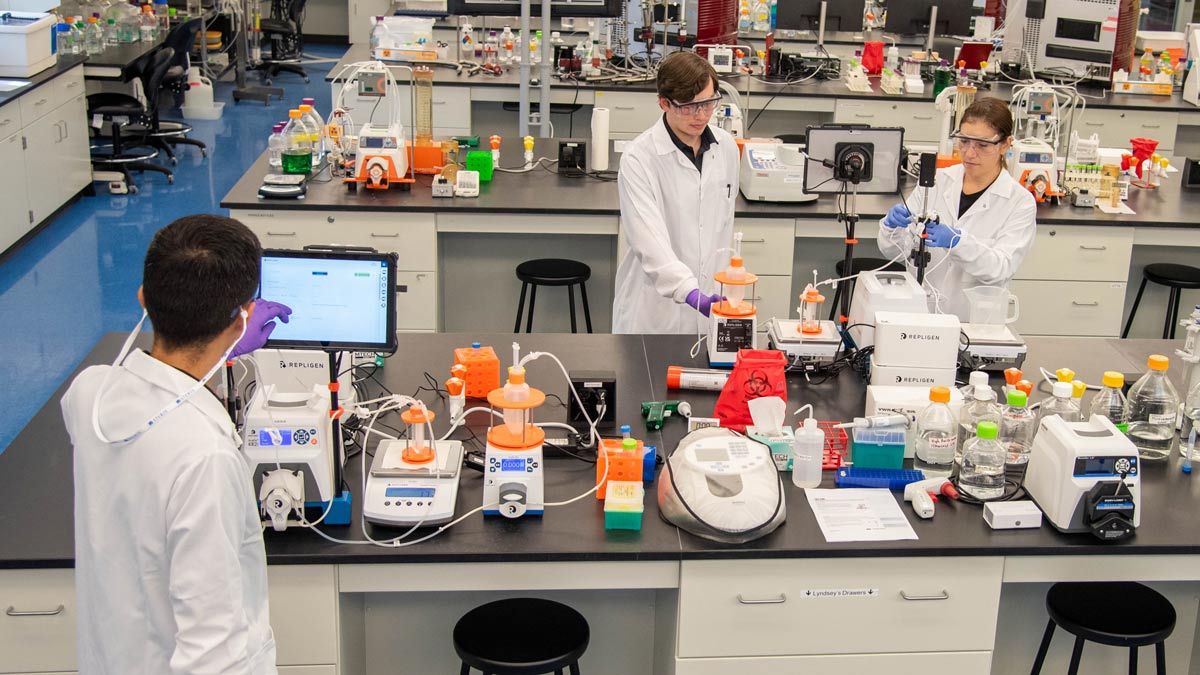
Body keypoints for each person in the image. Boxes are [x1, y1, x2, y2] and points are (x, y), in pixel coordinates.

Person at [61, 214, 292, 674]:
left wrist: (221, 344)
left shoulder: (90, 394)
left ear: (144, 298)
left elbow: (143, 389)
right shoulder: (204, 457)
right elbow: (214, 653)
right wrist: (224, 342)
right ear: (243, 318)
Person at [613, 51, 740, 334]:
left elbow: (722, 228)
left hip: (711, 309)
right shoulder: (639, 158)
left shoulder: (727, 148)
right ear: (664, 103)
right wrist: (691, 293)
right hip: (654, 314)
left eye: (708, 103)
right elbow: (649, 241)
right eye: (689, 107)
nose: (701, 115)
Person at [877, 97, 1036, 321]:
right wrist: (891, 227)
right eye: (964, 141)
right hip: (918, 317)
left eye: (982, 145)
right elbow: (894, 252)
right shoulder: (937, 182)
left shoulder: (1019, 203)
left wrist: (958, 242)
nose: (970, 153)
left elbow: (1000, 268)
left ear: (1005, 144)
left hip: (973, 324)